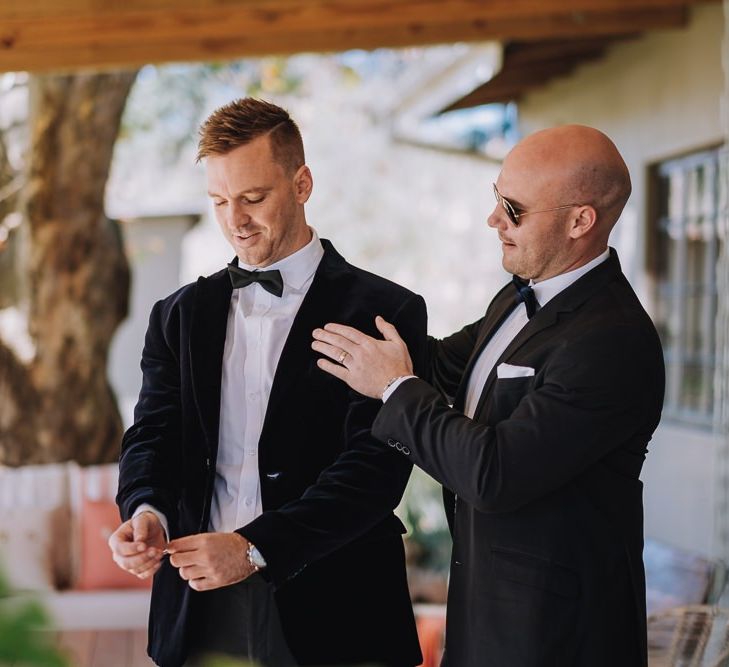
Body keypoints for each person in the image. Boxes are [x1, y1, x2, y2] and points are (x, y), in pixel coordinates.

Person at [312, 125, 665, 667]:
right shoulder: (521, 297)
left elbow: (495, 474)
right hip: (485, 615)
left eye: (514, 209)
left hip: (559, 637)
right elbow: (430, 364)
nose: (493, 220)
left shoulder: (611, 340)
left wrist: (392, 387)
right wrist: (307, 277)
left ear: (580, 221)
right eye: (495, 198)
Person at [108, 97, 427, 667]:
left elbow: (375, 469)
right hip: (198, 602)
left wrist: (256, 548)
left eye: (254, 198)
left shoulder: (385, 309)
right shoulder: (176, 315)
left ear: (302, 184)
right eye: (220, 202)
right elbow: (152, 433)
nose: (236, 220)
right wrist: (146, 509)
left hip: (340, 605)